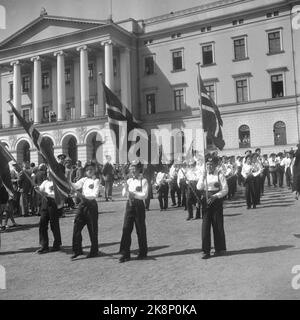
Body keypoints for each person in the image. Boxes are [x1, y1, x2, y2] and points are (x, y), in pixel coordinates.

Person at [197, 154, 228, 259]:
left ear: (215, 165)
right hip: (206, 201)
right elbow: (199, 187)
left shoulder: (220, 174)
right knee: (205, 226)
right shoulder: (203, 174)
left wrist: (215, 196)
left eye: (211, 164)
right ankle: (206, 250)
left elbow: (225, 190)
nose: (209, 166)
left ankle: (219, 248)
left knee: (217, 224)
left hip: (216, 201)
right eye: (207, 164)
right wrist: (203, 177)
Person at [119, 161, 149, 263]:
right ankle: (125, 253)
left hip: (139, 205)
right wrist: (126, 189)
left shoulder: (143, 181)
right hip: (129, 205)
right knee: (126, 228)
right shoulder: (129, 181)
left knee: (140, 229)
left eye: (134, 169)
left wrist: (134, 194)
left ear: (139, 169)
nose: (132, 170)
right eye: (131, 169)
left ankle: (143, 252)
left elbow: (144, 195)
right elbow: (123, 193)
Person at [71, 163, 100, 259]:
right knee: (76, 227)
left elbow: (94, 194)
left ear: (94, 170)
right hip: (82, 205)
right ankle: (77, 250)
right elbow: (75, 186)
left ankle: (94, 250)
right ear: (85, 171)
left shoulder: (96, 180)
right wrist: (67, 179)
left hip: (91, 205)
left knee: (92, 229)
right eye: (87, 170)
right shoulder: (84, 180)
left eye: (91, 169)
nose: (89, 171)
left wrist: (83, 196)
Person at [36, 169, 62, 254]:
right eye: (47, 172)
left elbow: (58, 194)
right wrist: (37, 189)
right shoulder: (45, 182)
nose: (48, 174)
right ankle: (44, 245)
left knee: (54, 225)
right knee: (42, 224)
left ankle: (57, 244)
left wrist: (48, 194)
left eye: (50, 172)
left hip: (53, 204)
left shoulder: (57, 183)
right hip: (45, 204)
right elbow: (40, 190)